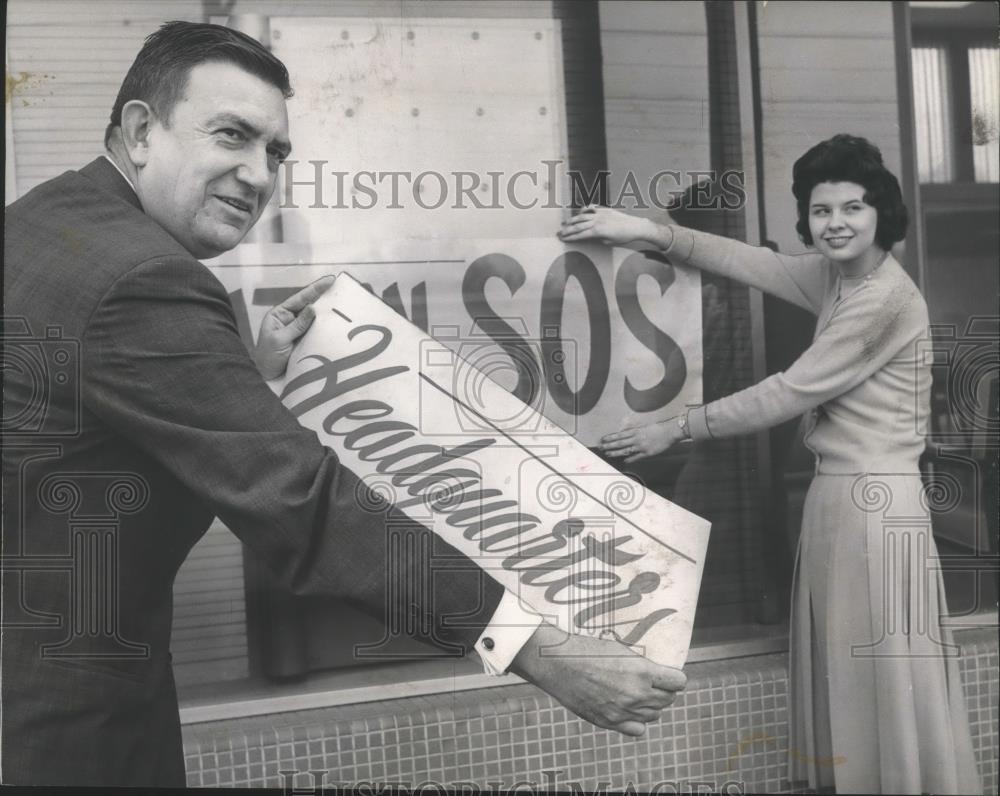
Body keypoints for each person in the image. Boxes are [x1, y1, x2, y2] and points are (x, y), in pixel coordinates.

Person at [2, 21, 687, 787]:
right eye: (231, 135)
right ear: (138, 131)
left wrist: (241, 379)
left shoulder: (43, 225)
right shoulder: (146, 278)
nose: (258, 174)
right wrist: (544, 647)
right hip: (62, 724)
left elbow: (87, 443)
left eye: (276, 152)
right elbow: (305, 504)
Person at [559, 134, 982, 795]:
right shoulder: (838, 280)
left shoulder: (883, 299)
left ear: (882, 215)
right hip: (838, 503)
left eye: (851, 208)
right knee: (851, 684)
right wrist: (641, 230)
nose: (834, 224)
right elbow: (744, 260)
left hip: (875, 510)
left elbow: (789, 391)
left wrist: (675, 427)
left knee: (879, 689)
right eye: (820, 211)